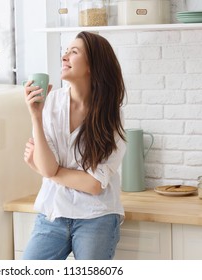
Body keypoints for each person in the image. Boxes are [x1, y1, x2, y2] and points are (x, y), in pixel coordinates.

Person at [22, 31, 126, 260]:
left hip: (96, 216)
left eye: (74, 52)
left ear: (92, 66)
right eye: (65, 51)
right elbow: (50, 169)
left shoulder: (110, 116)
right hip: (53, 213)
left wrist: (45, 170)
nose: (64, 57)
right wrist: (36, 116)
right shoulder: (50, 104)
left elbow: (94, 185)